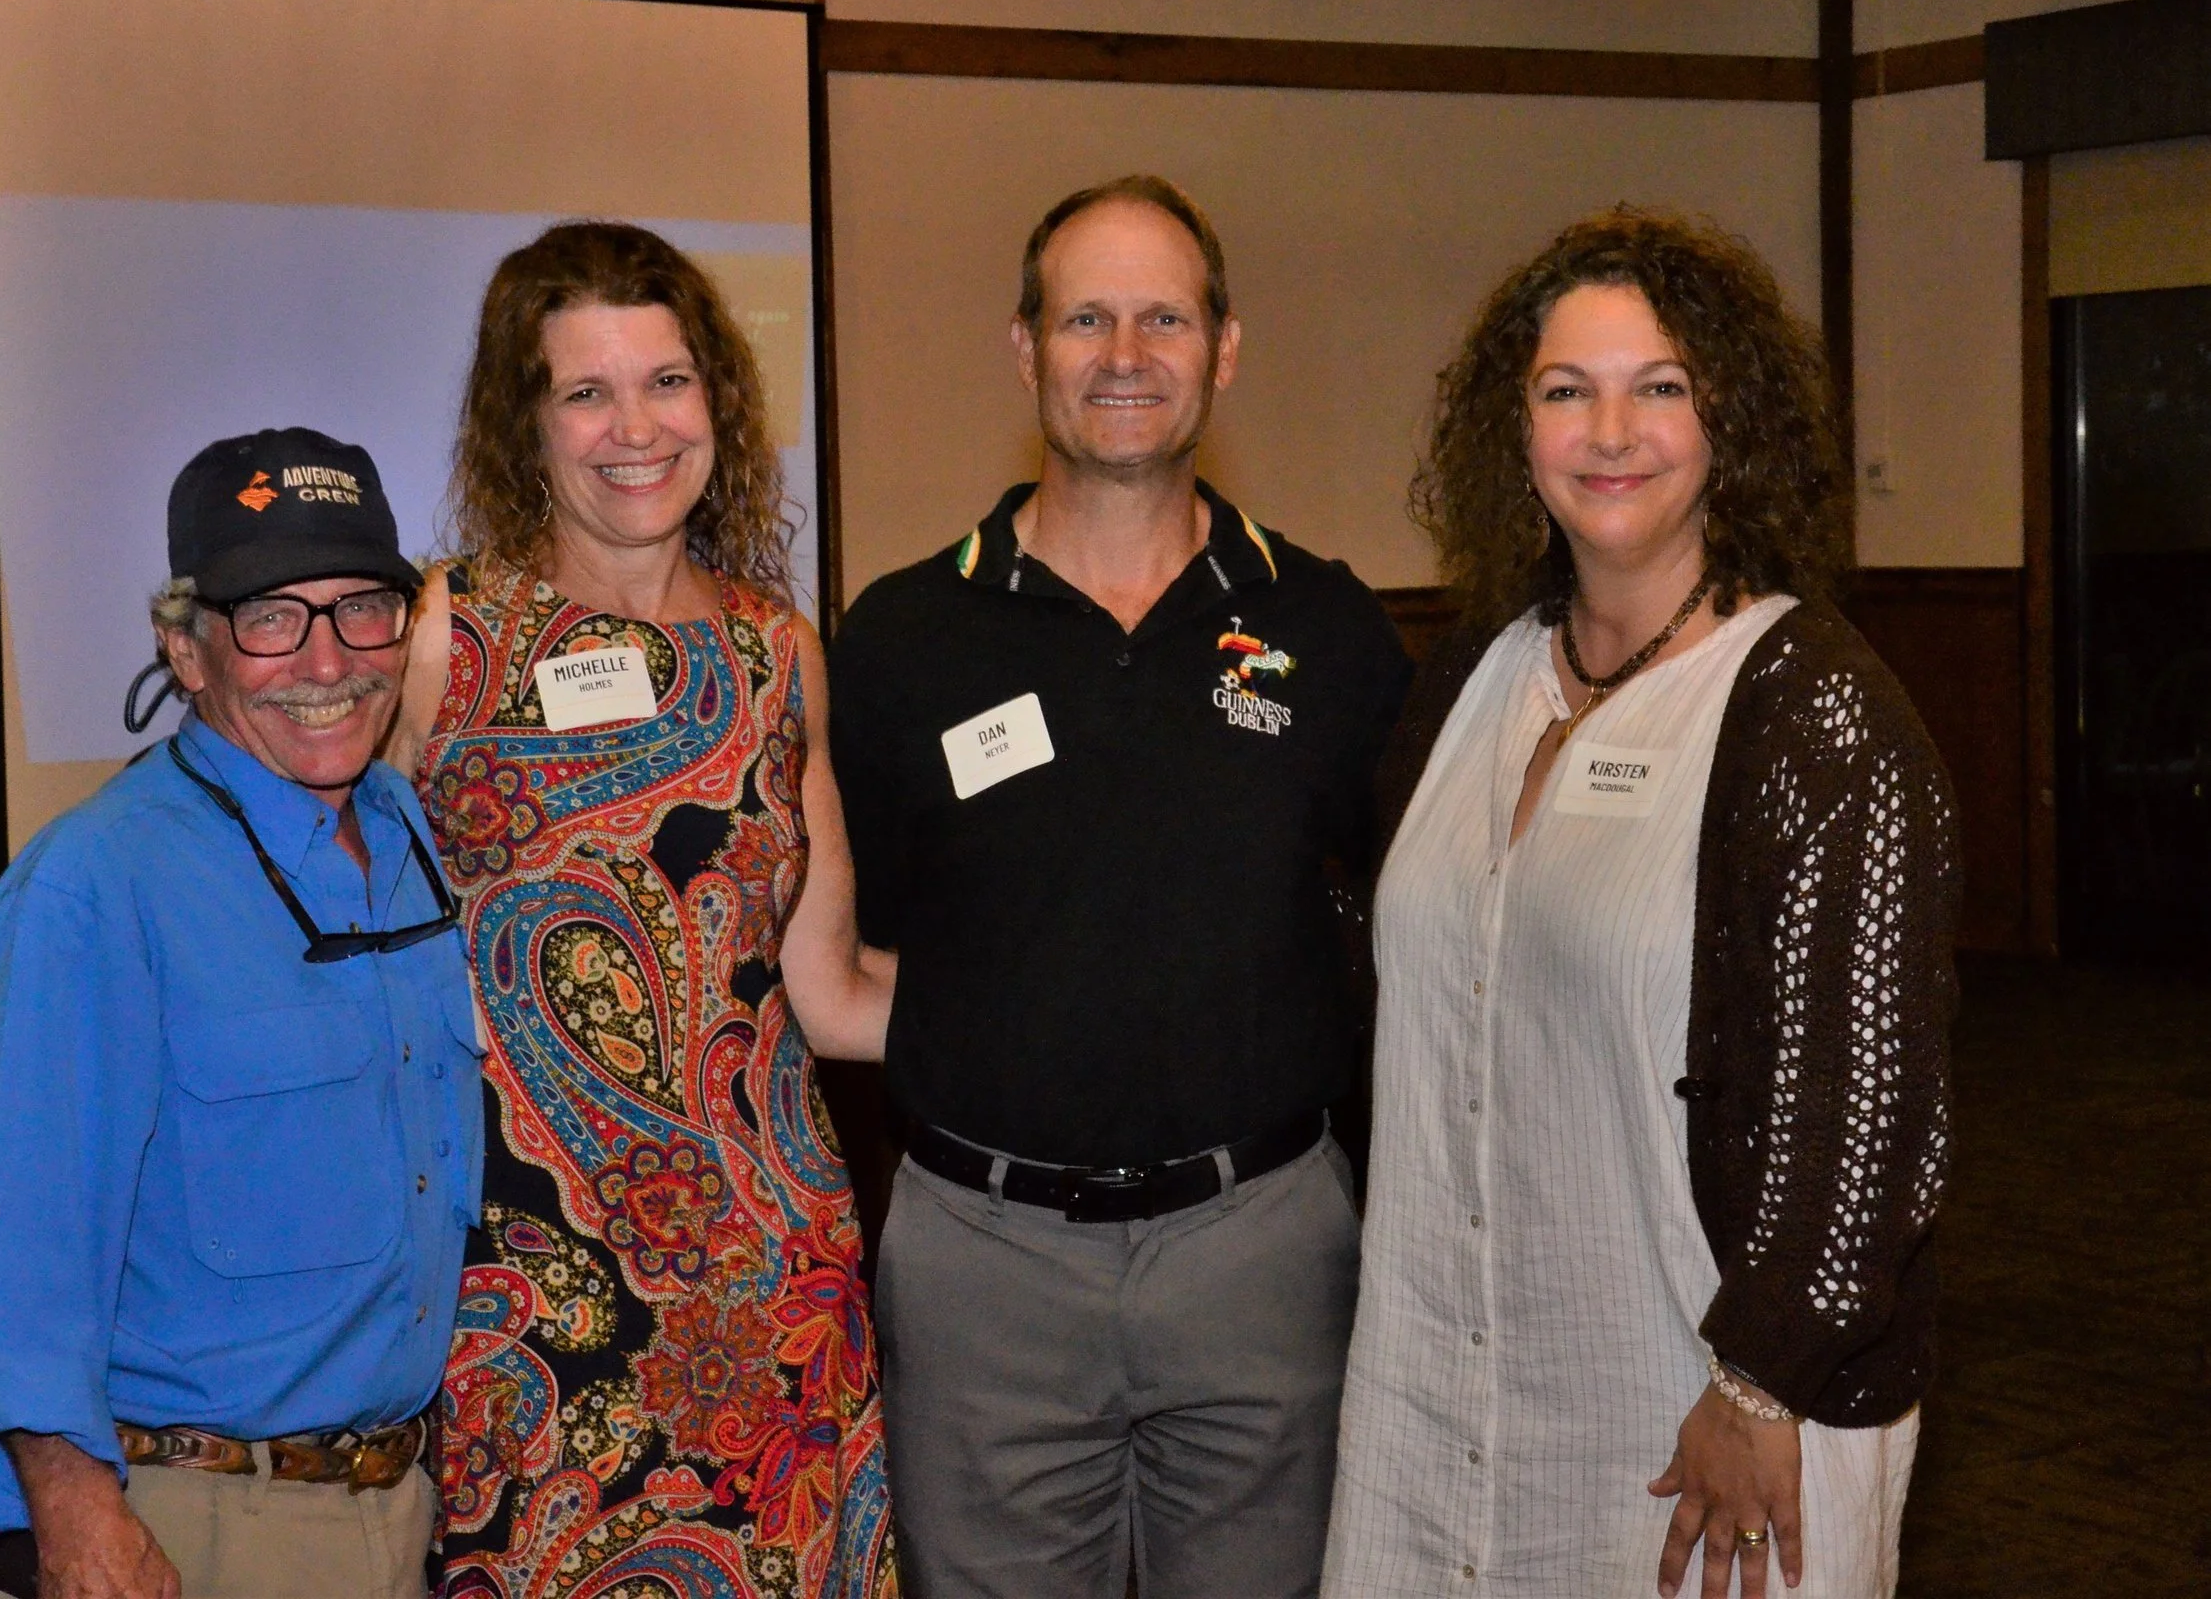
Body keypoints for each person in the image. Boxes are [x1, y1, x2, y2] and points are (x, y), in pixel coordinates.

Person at [1322, 210, 1959, 1599]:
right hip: (1449, 1382)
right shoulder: (1469, 683)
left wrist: (1758, 1385)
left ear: (1726, 419)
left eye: (1656, 387)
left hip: (1699, 1416)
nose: (1608, 432)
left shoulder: (1810, 710)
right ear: (1517, 428)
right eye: (1566, 392)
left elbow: (1871, 1114)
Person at [827, 174, 1412, 1599]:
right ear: (1024, 350)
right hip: (983, 1267)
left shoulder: (1325, 627)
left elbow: (1404, 917)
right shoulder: (903, 639)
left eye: (1162, 315)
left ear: (1223, 348)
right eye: (1083, 316)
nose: (1124, 352)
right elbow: (872, 935)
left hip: (1261, 1254)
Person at [380, 220, 898, 1599]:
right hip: (530, 1311)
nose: (634, 428)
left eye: (666, 382)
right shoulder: (444, 641)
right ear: (525, 423)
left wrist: (1081, 983)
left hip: (776, 1295)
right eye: (585, 391)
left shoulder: (775, 659)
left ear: (716, 400)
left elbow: (832, 994)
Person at [0, 427, 484, 1599]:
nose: (328, 659)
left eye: (363, 610)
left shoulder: (413, 837)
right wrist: (76, 1519)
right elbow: (13, 1241)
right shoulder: (91, 889)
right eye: (273, 617)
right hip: (187, 1527)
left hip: (404, 1515)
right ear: (187, 650)